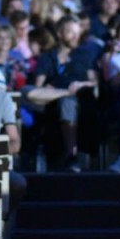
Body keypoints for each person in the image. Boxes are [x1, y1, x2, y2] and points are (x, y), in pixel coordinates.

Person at [26, 15, 99, 172]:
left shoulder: (85, 55)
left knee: (68, 101)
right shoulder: (47, 56)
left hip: (80, 100)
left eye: (77, 32)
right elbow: (38, 86)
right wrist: (53, 89)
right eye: (70, 32)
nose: (75, 36)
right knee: (28, 92)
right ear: (59, 33)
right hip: (51, 101)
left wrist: (80, 84)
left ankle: (71, 154)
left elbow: (94, 82)